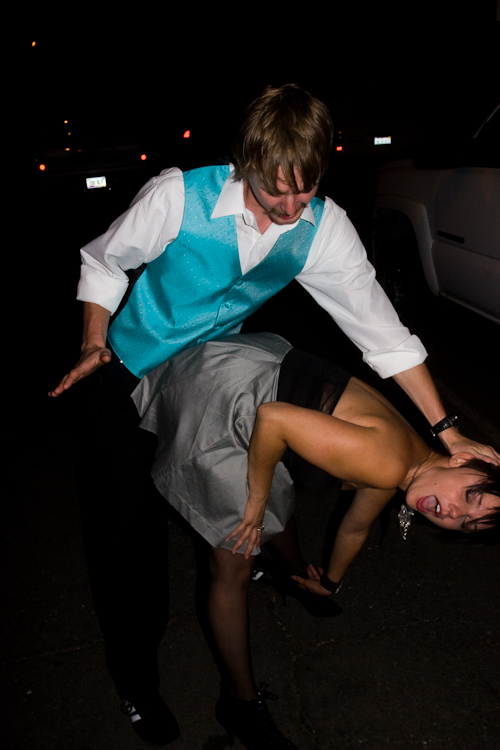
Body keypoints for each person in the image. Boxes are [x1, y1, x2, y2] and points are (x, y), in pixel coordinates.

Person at [48, 84, 499, 748]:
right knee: (128, 549)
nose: (290, 209)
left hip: (204, 376)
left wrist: (446, 429)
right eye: (273, 192)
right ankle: (136, 683)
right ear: (245, 162)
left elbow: (383, 335)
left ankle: (264, 580)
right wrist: (94, 341)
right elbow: (103, 260)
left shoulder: (323, 228)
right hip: (122, 373)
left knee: (243, 499)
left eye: (305, 190)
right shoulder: (178, 196)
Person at [130, 331, 499, 750]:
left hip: (254, 373)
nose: (453, 513)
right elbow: (273, 419)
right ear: (463, 459)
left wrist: (330, 582)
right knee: (234, 564)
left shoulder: (406, 465)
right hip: (230, 397)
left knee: (278, 491)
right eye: (471, 496)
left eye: (467, 524)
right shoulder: (387, 461)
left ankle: (296, 579)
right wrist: (255, 501)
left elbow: (355, 527)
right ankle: (240, 703)